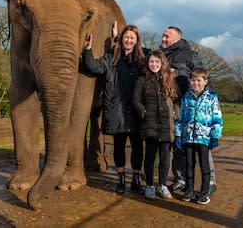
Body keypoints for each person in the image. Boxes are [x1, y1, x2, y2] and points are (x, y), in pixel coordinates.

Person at [82, 23, 146, 193]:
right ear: (122, 38)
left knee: (137, 147)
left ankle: (136, 180)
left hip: (136, 110)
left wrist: (117, 38)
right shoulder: (111, 58)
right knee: (118, 146)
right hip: (117, 110)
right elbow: (93, 67)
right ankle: (121, 179)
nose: (129, 40)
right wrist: (87, 50)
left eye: (132, 37)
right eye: (126, 37)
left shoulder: (142, 60)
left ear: (137, 40)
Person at [160, 26, 217, 194]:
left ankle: (211, 181)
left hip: (191, 107)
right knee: (177, 143)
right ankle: (181, 178)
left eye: (166, 36)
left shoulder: (190, 55)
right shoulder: (160, 54)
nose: (163, 38)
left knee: (201, 143)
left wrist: (210, 100)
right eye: (163, 35)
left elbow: (204, 77)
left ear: (176, 39)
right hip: (170, 106)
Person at [133, 50, 180, 200]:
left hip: (167, 124)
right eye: (151, 62)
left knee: (166, 157)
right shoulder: (142, 79)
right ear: (148, 63)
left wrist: (176, 114)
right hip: (150, 124)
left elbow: (176, 99)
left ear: (162, 63)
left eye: (157, 62)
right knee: (150, 156)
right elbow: (135, 99)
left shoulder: (171, 79)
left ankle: (162, 185)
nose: (154, 64)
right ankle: (150, 186)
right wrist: (143, 111)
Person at [174, 67, 223, 205]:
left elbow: (217, 118)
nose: (196, 83)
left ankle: (204, 192)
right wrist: (178, 135)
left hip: (204, 138)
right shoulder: (186, 98)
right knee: (189, 165)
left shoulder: (212, 97)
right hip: (188, 138)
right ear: (190, 81)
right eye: (193, 80)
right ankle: (189, 190)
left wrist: (215, 136)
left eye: (199, 80)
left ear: (205, 81)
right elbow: (180, 118)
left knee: (204, 166)